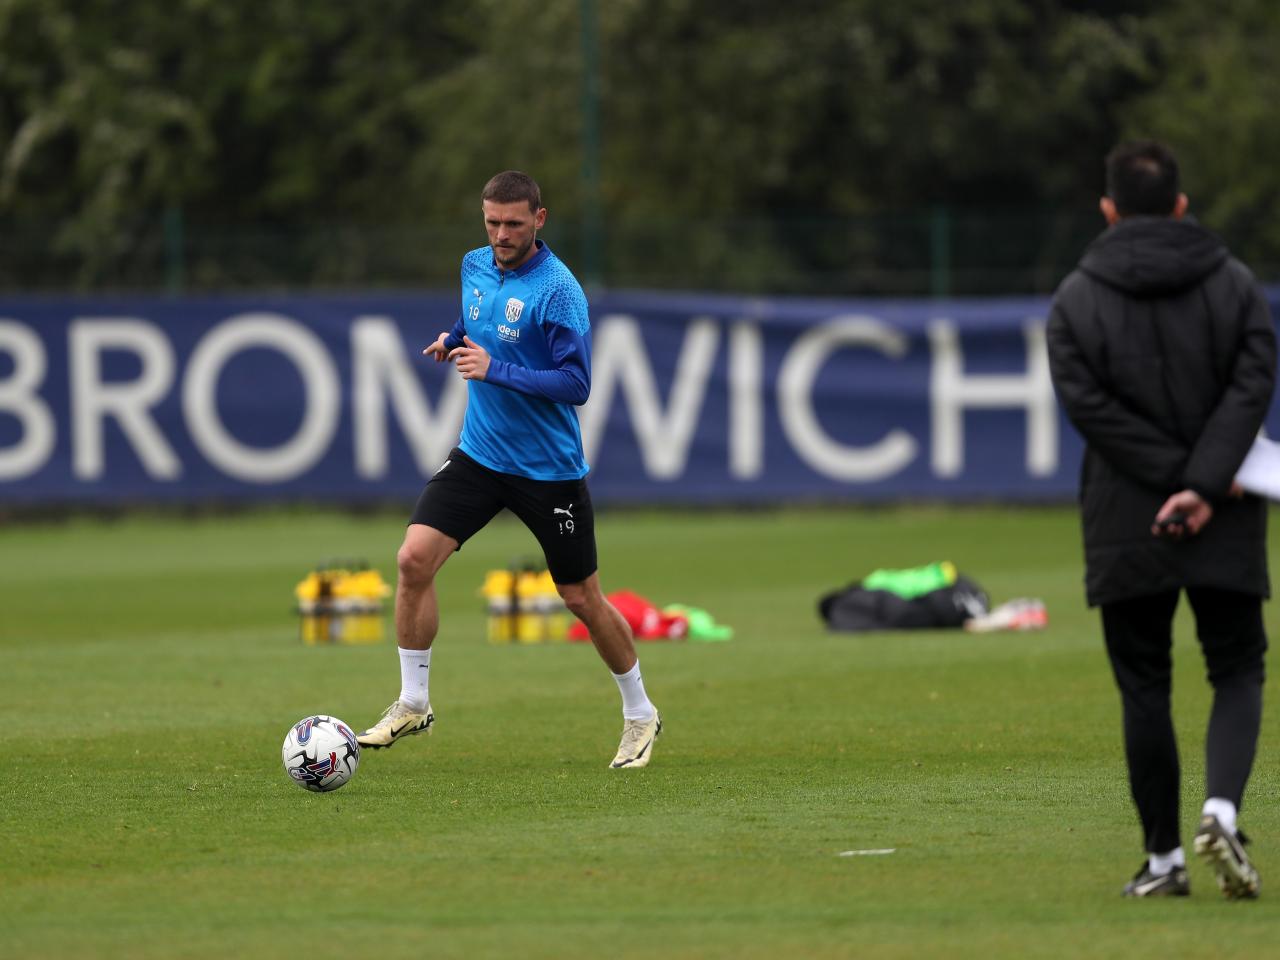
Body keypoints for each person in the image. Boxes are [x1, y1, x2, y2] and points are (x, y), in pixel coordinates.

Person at [355, 171, 661, 769]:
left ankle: (640, 714)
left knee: (581, 598)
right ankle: (413, 702)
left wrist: (496, 369)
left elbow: (577, 384)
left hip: (548, 472)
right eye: (492, 222)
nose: (501, 234)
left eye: (514, 224)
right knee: (412, 559)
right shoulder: (474, 263)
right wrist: (452, 337)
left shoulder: (559, 290)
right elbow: (477, 320)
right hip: (480, 454)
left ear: (539, 219)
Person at [1047, 141, 1276, 898]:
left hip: (1126, 512)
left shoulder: (1076, 297)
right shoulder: (1235, 284)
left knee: (1144, 683)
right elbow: (1254, 383)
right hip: (1228, 506)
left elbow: (1090, 410)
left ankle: (1164, 862)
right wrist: (1205, 483)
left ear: (1109, 210)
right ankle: (1221, 809)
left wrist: (1172, 482)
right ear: (1181, 204)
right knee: (1236, 667)